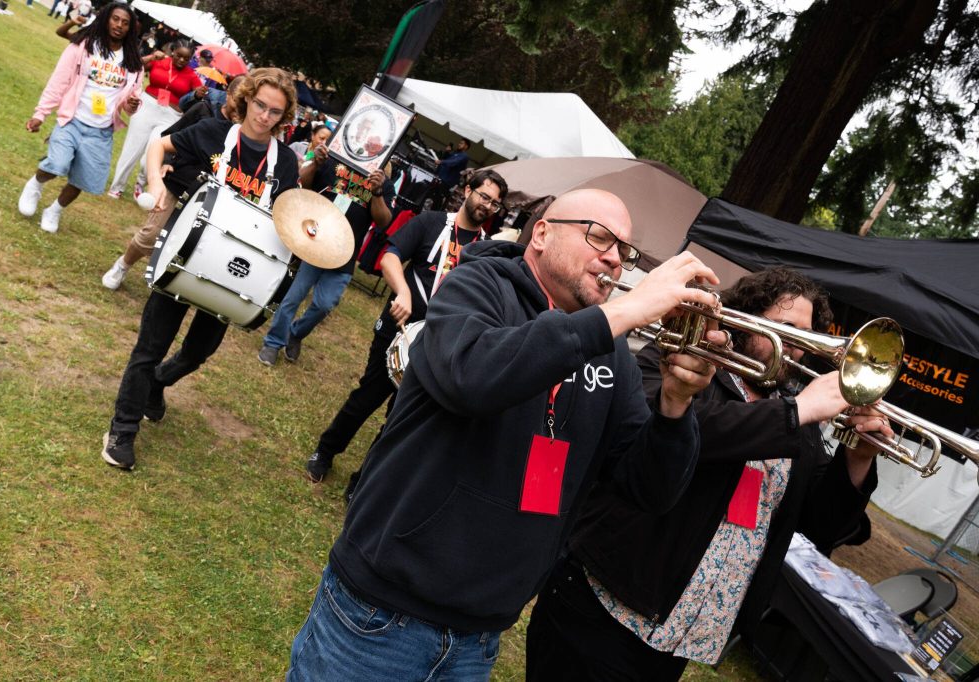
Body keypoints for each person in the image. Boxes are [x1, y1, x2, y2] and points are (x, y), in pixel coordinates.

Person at [284, 188, 727, 680]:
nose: (615, 259)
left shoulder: (613, 354)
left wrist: (675, 403)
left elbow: (649, 489)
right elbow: (472, 377)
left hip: (479, 637)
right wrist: (628, 313)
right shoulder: (475, 284)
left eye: (624, 250)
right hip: (379, 616)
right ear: (541, 233)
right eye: (599, 237)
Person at [525, 266, 893, 681]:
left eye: (807, 336)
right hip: (605, 604)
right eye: (786, 328)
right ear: (746, 320)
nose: (797, 347)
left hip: (681, 634)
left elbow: (823, 523)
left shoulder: (800, 418)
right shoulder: (682, 361)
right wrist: (797, 412)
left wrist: (858, 459)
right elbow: (676, 429)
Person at [101, 68, 299, 471]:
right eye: (260, 105)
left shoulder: (287, 165)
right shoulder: (211, 132)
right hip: (186, 252)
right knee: (150, 346)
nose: (264, 116)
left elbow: (286, 220)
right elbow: (158, 145)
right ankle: (122, 430)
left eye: (275, 112)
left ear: (284, 116)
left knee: (198, 352)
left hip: (233, 272)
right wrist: (157, 182)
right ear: (247, 99)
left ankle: (157, 384)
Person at [302, 169, 508, 489]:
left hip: (438, 344)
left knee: (399, 416)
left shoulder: (486, 252)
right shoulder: (432, 222)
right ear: (468, 190)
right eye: (484, 196)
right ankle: (325, 451)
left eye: (494, 204)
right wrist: (403, 291)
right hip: (398, 327)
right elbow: (390, 258)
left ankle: (363, 482)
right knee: (367, 396)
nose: (487, 206)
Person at [255, 139, 395, 366]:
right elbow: (306, 182)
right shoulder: (335, 160)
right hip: (315, 241)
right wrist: (315, 163)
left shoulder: (382, 182)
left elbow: (384, 221)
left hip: (344, 253)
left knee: (324, 304)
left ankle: (296, 334)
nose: (371, 145)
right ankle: (272, 343)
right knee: (293, 297)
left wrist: (377, 192)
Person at [100, 75, 246, 290]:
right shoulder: (203, 111)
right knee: (151, 234)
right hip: (177, 181)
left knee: (182, 242)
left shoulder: (244, 133)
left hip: (207, 197)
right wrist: (166, 163)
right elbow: (170, 137)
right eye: (240, 99)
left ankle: (163, 282)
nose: (242, 106)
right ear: (229, 94)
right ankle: (123, 264)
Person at [18, 2, 143, 234]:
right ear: (106, 18)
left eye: (125, 23)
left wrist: (133, 104)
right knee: (57, 164)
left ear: (130, 29)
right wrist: (40, 114)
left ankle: (53, 210)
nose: (119, 25)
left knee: (82, 180)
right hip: (72, 120)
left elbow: (130, 103)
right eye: (115, 19)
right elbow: (59, 81)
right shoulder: (84, 46)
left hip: (101, 130)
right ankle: (34, 185)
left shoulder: (133, 63)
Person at [106, 42, 206, 199]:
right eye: (178, 55)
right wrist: (151, 57)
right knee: (132, 149)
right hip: (147, 106)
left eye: (186, 58)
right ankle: (117, 186)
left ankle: (140, 183)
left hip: (170, 115)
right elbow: (132, 67)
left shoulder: (192, 75)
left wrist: (198, 93)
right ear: (172, 52)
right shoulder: (159, 61)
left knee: (153, 153)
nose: (181, 60)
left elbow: (197, 96)